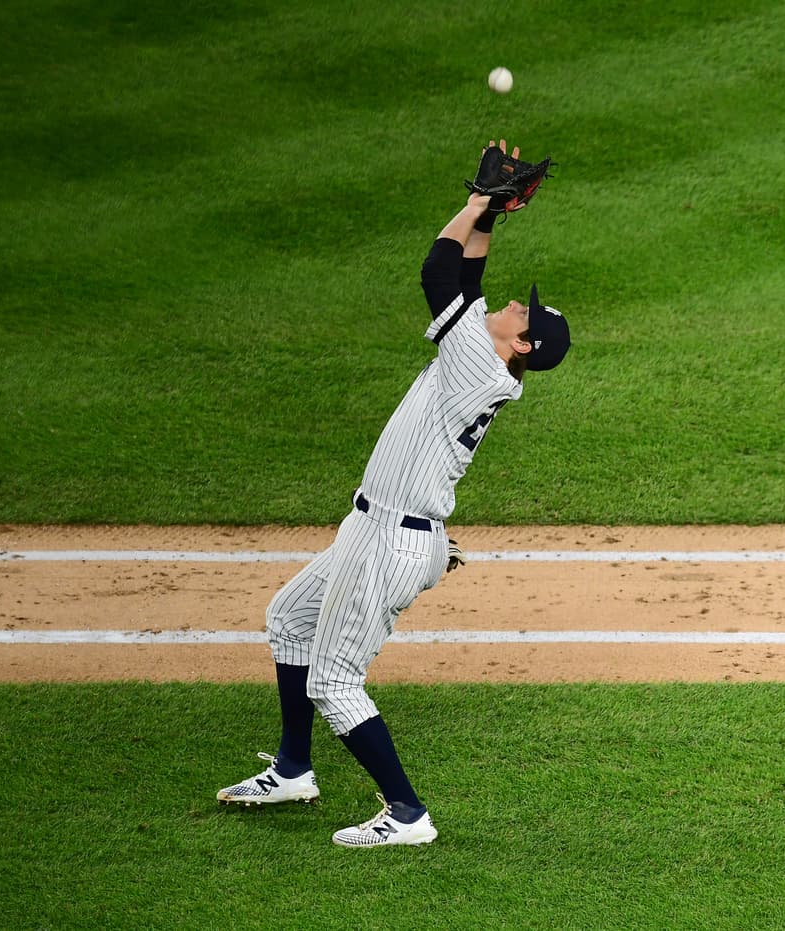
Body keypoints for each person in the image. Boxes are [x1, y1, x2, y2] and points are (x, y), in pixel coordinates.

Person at [217, 140, 571, 847]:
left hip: (391, 540)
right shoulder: (484, 347)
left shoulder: (479, 363)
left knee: (335, 680)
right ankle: (293, 768)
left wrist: (476, 204)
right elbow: (469, 282)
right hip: (379, 528)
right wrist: (493, 215)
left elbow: (439, 270)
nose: (509, 303)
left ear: (522, 345)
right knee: (289, 615)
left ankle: (409, 814)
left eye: (521, 313)